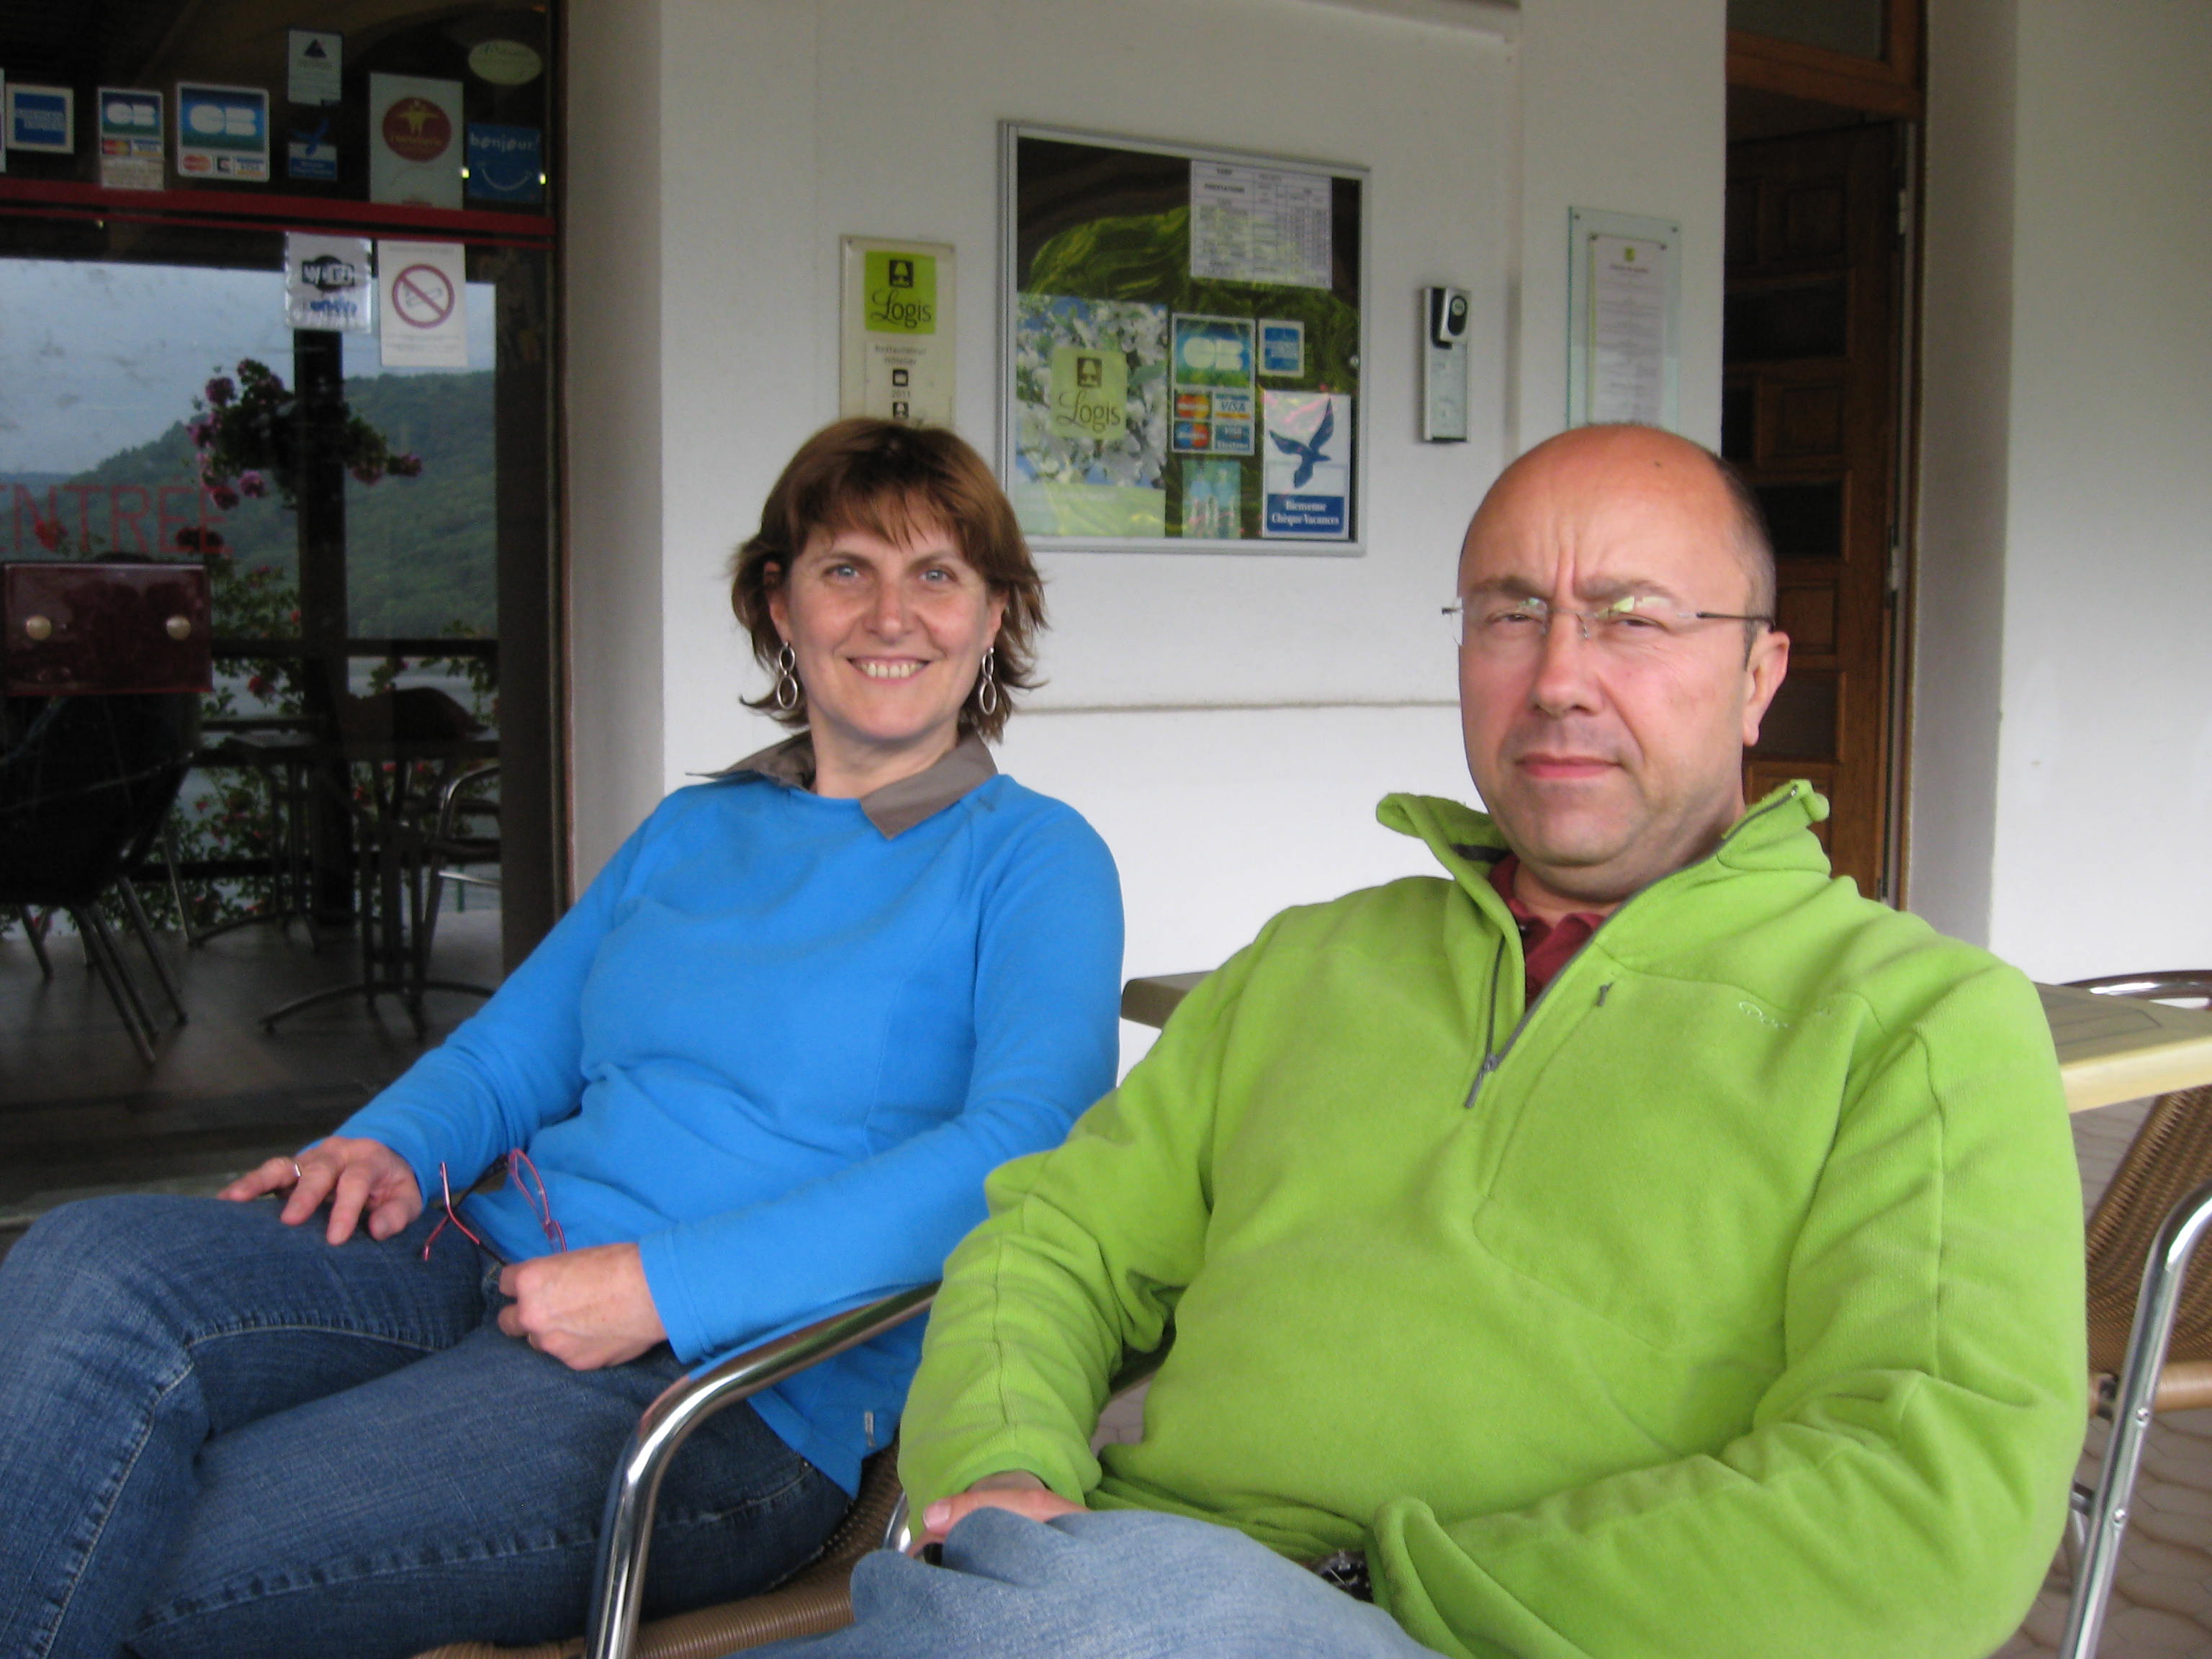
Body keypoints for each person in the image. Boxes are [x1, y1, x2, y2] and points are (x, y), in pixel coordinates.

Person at [753, 424, 2087, 1659]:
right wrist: (1004, 1469)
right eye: (1512, 614)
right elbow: (1055, 1240)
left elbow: (1930, 1508)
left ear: (1759, 677)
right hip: (1125, 1593)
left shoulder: (1919, 1025)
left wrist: (1370, 1590)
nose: (1559, 679)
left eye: (1633, 618)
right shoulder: (1311, 963)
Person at [0, 418, 1124, 1659]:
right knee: (92, 1266)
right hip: (481, 1255)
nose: (890, 615)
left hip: (727, 1395)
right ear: (781, 601)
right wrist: (388, 1145)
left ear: (995, 613)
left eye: (937, 575)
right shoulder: (697, 829)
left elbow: (1022, 1148)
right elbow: (515, 1051)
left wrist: (662, 1287)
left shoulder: (1032, 856)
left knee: (146, 1535)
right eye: (846, 569)